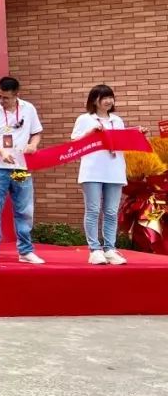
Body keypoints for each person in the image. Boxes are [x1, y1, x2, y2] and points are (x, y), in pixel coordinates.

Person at [0, 76, 44, 265]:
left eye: (5, 97)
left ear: (17, 95)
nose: (1, 100)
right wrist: (1, 152)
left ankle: (25, 251)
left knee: (25, 211)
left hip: (21, 167)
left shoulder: (28, 109)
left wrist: (33, 145)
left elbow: (36, 133)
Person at [72, 84, 129, 266]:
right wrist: (90, 133)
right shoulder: (84, 119)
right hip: (92, 171)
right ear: (94, 100)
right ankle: (94, 250)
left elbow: (123, 142)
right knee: (93, 210)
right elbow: (74, 143)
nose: (108, 101)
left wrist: (136, 135)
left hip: (114, 170)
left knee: (111, 212)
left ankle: (110, 249)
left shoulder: (117, 120)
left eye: (110, 97)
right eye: (104, 97)